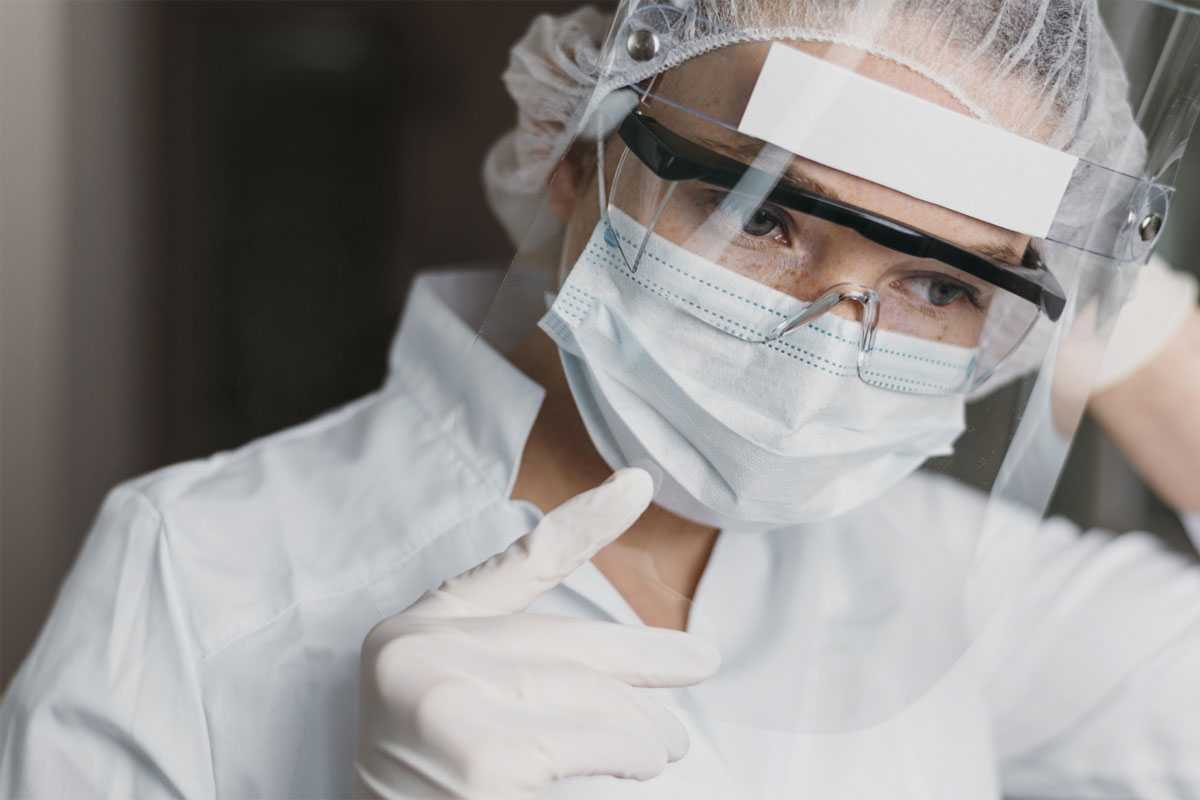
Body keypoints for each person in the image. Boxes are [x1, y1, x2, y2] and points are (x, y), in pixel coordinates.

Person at [3, 2, 1200, 798]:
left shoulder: (946, 583)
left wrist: (1128, 312)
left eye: (939, 283)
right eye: (759, 214)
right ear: (579, 151)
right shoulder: (201, 567)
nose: (834, 335)